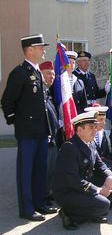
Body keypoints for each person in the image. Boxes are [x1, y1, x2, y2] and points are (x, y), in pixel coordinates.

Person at [1, 34, 57, 221]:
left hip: (41, 131)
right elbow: (7, 101)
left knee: (40, 169)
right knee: (26, 171)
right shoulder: (19, 73)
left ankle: (40, 202)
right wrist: (17, 122)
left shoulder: (37, 73)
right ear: (30, 49)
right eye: (40, 47)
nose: (43, 50)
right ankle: (26, 208)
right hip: (28, 132)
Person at [53, 111, 112, 230]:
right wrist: (97, 190)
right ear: (79, 130)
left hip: (83, 185)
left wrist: (109, 176)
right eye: (91, 127)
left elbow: (100, 164)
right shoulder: (69, 148)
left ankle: (92, 212)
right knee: (104, 205)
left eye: (95, 127)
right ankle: (70, 215)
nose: (95, 130)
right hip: (69, 192)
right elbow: (73, 180)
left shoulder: (90, 143)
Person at [84, 103, 112, 208]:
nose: (102, 123)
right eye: (99, 120)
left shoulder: (102, 133)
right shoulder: (86, 136)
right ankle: (96, 206)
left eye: (104, 119)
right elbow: (95, 158)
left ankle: (99, 203)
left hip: (102, 171)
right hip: (90, 176)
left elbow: (106, 154)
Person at [39, 61, 59, 205]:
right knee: (44, 170)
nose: (51, 77)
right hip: (45, 138)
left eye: (52, 74)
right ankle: (43, 197)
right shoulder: (39, 91)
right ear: (40, 74)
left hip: (53, 137)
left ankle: (48, 193)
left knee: (52, 168)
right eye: (48, 73)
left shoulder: (47, 91)